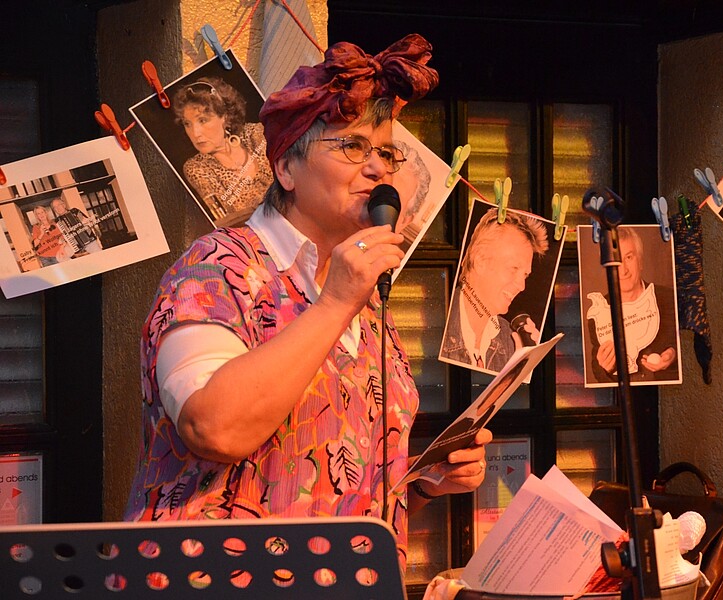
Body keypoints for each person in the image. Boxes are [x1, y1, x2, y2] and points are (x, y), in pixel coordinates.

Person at [124, 34, 489, 569]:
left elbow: (327, 481)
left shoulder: (362, 298)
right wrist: (335, 303)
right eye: (353, 147)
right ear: (286, 169)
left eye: (386, 152)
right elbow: (213, 428)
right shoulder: (215, 269)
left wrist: (422, 482)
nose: (378, 169)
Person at [440, 207, 549, 372]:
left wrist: (521, 370)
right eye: (513, 269)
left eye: (525, 275)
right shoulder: (439, 323)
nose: (522, 286)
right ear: (480, 261)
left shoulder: (510, 340)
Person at [173, 76, 273, 226]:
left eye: (202, 120)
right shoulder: (197, 168)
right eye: (187, 124)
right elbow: (229, 219)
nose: (195, 133)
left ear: (225, 117)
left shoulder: (254, 133)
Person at [586, 226, 678, 383]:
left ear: (640, 261)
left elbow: (683, 343)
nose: (623, 271)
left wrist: (673, 355)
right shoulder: (598, 312)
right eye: (616, 261)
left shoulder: (668, 298)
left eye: (629, 257)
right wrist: (605, 368)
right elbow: (597, 368)